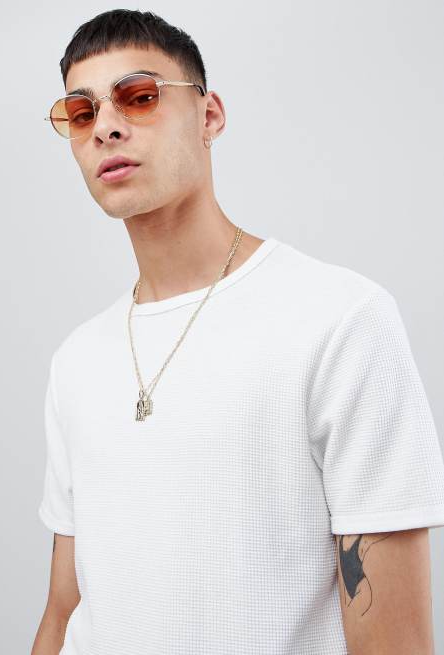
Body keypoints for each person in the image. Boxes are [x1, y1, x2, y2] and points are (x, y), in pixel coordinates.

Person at [32, 9, 444, 655]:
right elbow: (64, 610)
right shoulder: (76, 360)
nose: (105, 125)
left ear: (209, 115)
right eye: (81, 113)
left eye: (139, 97)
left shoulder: (339, 318)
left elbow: (395, 642)